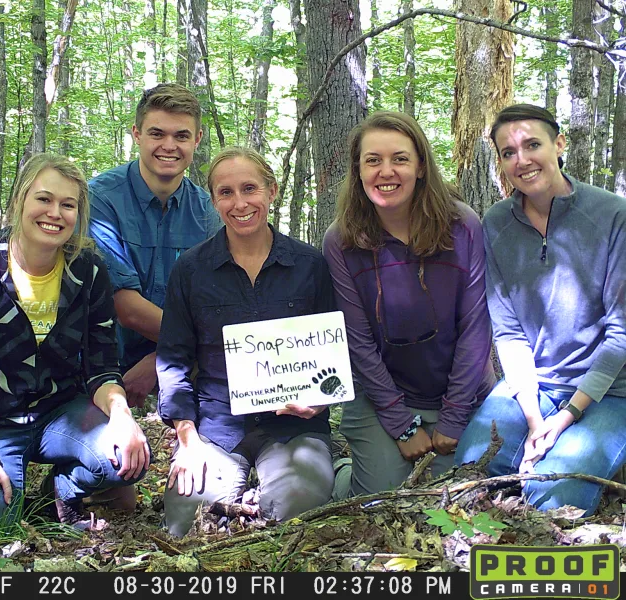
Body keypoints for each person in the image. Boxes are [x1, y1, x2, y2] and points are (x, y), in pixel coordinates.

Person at [0, 153, 150, 529]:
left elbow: (101, 367)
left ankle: (58, 493)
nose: (55, 213)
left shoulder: (89, 271)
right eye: (44, 199)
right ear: (20, 199)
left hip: (59, 413)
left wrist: (122, 416)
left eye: (68, 205)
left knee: (127, 460)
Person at [455, 104, 626, 515]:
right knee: (469, 476)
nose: (522, 160)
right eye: (508, 152)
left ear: (559, 144)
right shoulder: (495, 223)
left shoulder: (612, 215)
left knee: (553, 498)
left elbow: (621, 332)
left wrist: (565, 417)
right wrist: (534, 418)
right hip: (535, 385)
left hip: (610, 390)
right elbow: (509, 333)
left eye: (533, 145)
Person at [157, 147, 336, 537]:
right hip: (216, 426)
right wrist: (188, 440)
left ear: (271, 191)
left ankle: (317, 474)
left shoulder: (310, 265)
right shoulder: (191, 269)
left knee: (297, 515)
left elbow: (335, 354)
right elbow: (172, 360)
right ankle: (236, 492)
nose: (240, 203)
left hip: (292, 428)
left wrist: (322, 397)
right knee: (186, 522)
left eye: (250, 188)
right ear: (214, 201)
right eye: (226, 193)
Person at [323, 111, 497, 498]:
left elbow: (475, 327)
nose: (387, 171)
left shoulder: (462, 225)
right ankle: (346, 471)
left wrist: (452, 419)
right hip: (384, 396)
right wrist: (401, 422)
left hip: (464, 393)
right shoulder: (342, 241)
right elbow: (359, 341)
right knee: (380, 504)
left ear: (420, 166)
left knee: (457, 498)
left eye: (400, 158)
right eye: (373, 160)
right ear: (358, 170)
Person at [88, 83, 222, 408]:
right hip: (99, 364)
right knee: (102, 457)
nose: (169, 146)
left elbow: (218, 308)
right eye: (157, 134)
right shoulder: (100, 198)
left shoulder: (208, 213)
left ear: (197, 139)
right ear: (137, 134)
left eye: (181, 136)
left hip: (183, 365)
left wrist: (161, 359)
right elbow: (125, 307)